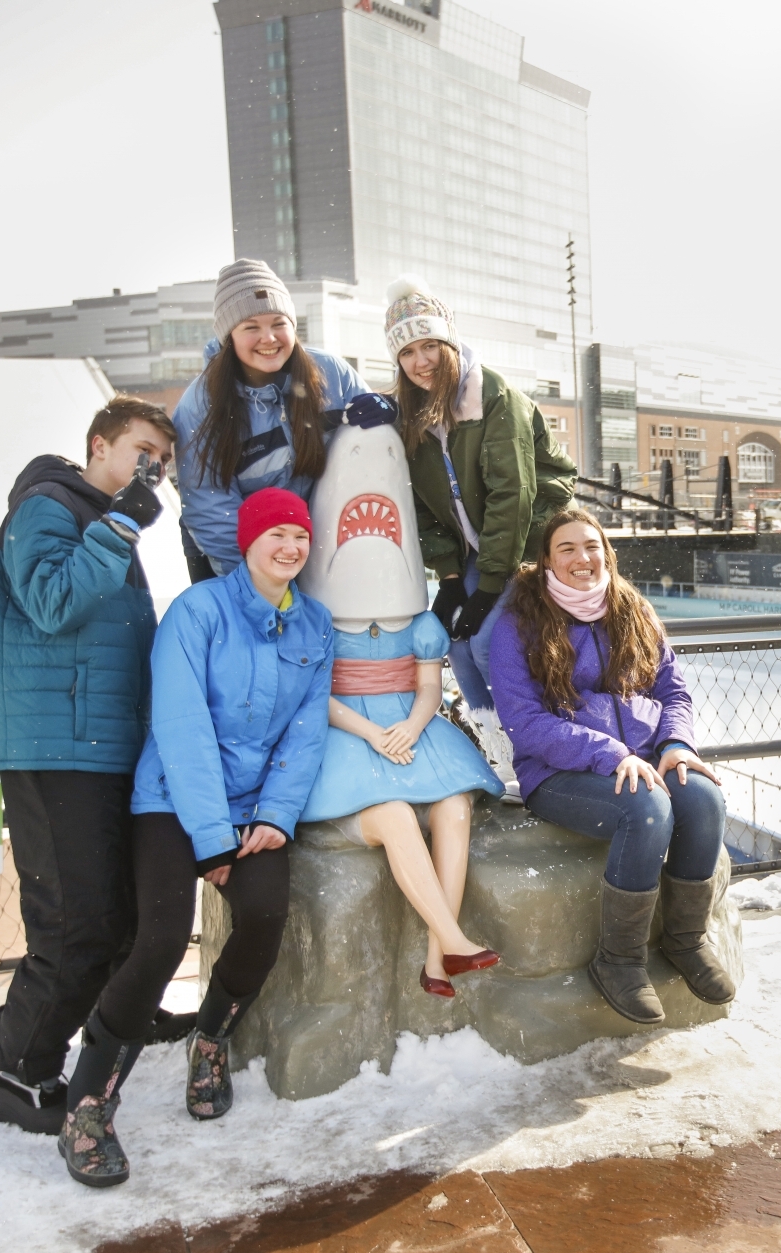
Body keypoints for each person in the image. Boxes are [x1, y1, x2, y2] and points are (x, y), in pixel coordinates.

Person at [57, 488, 333, 1188]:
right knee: (157, 941)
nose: (290, 547)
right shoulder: (197, 611)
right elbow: (181, 726)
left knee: (265, 916)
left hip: (252, 810)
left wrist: (276, 815)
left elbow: (305, 733)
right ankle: (88, 1104)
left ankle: (211, 1039)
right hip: (173, 800)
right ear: (246, 543)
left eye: (299, 536)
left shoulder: (314, 626)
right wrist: (212, 837)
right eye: (274, 534)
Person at [0, 395, 172, 1135]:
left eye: (163, 463)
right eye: (143, 453)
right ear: (101, 445)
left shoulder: (99, 524)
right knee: (73, 924)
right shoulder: (48, 507)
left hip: (103, 748)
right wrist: (122, 521)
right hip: (55, 750)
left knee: (117, 912)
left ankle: (113, 1022)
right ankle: (16, 1071)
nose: (153, 471)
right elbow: (52, 603)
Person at [297, 392, 505, 995]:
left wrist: (412, 728)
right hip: (346, 735)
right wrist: (371, 733)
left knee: (455, 809)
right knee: (389, 815)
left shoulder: (421, 625)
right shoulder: (315, 623)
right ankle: (454, 941)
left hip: (411, 730)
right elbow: (316, 697)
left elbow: (428, 689)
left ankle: (440, 959)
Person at [491, 508, 733, 1025]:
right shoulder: (519, 624)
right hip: (561, 772)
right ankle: (619, 961)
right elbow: (524, 722)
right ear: (548, 561)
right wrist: (609, 753)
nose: (583, 558)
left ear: (608, 553)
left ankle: (686, 941)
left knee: (704, 799)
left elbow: (673, 691)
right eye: (567, 549)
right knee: (646, 810)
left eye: (592, 546)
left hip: (646, 757)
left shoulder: (634, 610)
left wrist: (676, 743)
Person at [384, 277, 576, 715]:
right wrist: (450, 578)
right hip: (481, 544)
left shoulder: (496, 400)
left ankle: (535, 733)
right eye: (407, 352)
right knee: (455, 642)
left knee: (490, 645)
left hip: (531, 535)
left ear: (449, 344)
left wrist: (488, 590)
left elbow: (513, 497)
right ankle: (497, 744)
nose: (421, 361)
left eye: (429, 345)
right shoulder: (414, 417)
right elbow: (421, 502)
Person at [173, 259, 369, 581]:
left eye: (278, 323)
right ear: (229, 337)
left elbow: (377, 447)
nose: (268, 338)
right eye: (251, 327)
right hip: (239, 557)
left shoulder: (332, 374)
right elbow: (210, 507)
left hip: (319, 543)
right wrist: (258, 587)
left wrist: (386, 412)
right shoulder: (201, 404)